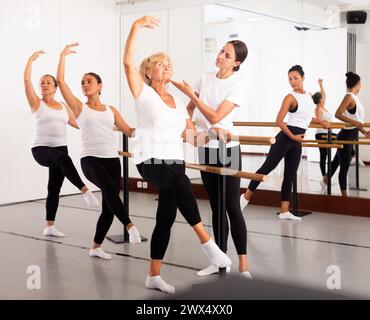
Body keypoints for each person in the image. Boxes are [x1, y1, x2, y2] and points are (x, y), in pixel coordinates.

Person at [123, 15, 231, 294]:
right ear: (148, 73)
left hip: (174, 161)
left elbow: (190, 137)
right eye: (160, 64)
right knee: (183, 183)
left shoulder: (179, 102)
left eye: (168, 63)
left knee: (166, 219)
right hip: (150, 159)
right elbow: (127, 62)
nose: (166, 66)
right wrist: (135, 27)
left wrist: (214, 135)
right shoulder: (143, 94)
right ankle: (208, 244)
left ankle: (153, 275)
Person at [171, 40, 252, 278]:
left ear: (236, 63)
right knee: (216, 206)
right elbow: (189, 111)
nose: (220, 56)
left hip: (227, 148)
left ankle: (243, 265)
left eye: (227, 56)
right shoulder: (205, 78)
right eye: (221, 51)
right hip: (206, 146)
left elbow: (216, 116)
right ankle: (220, 261)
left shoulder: (238, 83)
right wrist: (187, 129)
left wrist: (192, 97)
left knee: (232, 207)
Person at [57, 43, 142, 260]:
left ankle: (95, 247)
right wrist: (62, 56)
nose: (85, 85)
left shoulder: (111, 110)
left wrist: (150, 129)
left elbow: (130, 131)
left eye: (89, 81)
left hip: (112, 159)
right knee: (108, 189)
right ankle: (130, 225)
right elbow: (61, 82)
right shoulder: (78, 107)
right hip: (90, 159)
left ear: (100, 85)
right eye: (82, 82)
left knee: (109, 207)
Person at [24, 50, 99, 238]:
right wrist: (30, 61)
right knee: (63, 159)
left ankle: (49, 226)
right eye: (42, 82)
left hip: (60, 148)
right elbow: (26, 81)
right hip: (41, 149)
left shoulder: (63, 107)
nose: (44, 85)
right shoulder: (36, 103)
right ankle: (85, 190)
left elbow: (77, 124)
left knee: (54, 188)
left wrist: (101, 128)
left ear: (56, 87)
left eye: (48, 82)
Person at [240, 65, 330, 220]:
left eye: (295, 78)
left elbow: (307, 118)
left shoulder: (308, 95)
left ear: (303, 77)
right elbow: (279, 121)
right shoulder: (290, 97)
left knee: (290, 174)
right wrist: (293, 137)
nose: (293, 81)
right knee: (267, 167)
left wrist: (321, 122)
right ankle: (245, 198)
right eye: (290, 79)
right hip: (286, 138)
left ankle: (284, 211)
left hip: (297, 140)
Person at [323, 72, 370, 196]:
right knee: (344, 167)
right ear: (358, 84)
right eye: (361, 85)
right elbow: (338, 113)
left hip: (350, 135)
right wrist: (355, 122)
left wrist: (364, 132)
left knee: (336, 162)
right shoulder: (349, 96)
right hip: (345, 137)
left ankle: (325, 180)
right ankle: (344, 196)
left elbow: (357, 120)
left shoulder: (355, 98)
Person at [312, 79, 337, 182]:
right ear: (319, 100)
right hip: (321, 134)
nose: (324, 99)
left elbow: (324, 94)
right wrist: (325, 124)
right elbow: (318, 121)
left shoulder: (323, 107)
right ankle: (324, 177)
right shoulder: (318, 109)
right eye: (322, 98)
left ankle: (326, 177)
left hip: (328, 133)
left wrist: (321, 84)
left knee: (328, 154)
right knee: (324, 156)